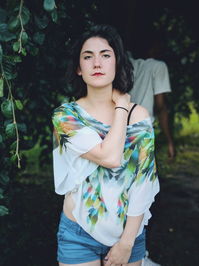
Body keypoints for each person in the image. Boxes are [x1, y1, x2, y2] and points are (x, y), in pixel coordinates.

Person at [52, 24, 160, 266]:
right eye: (88, 57)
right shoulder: (66, 116)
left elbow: (144, 181)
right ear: (79, 68)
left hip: (129, 235)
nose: (97, 63)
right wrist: (122, 106)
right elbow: (109, 157)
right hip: (78, 234)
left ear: (117, 62)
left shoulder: (140, 115)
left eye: (105, 55)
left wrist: (127, 242)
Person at [128, 51, 175, 159]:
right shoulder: (158, 66)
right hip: (142, 132)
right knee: (141, 173)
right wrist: (169, 141)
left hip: (117, 129)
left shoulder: (123, 62)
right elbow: (160, 106)